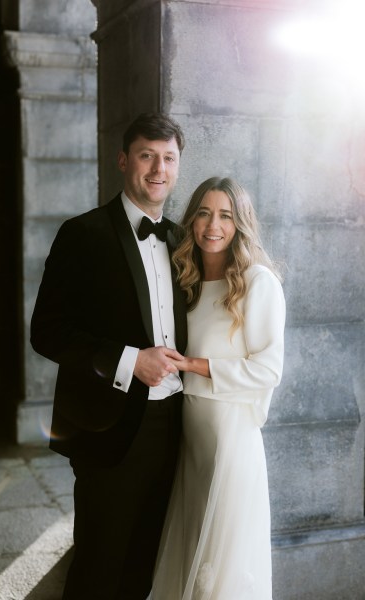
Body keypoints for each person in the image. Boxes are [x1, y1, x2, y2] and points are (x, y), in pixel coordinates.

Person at [30, 112, 188, 600]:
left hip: (177, 427)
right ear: (124, 161)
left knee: (146, 563)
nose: (158, 169)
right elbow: (47, 332)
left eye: (168, 158)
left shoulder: (183, 240)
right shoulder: (83, 234)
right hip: (109, 428)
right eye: (147, 156)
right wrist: (129, 361)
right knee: (98, 568)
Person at [151, 176, 286, 600]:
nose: (214, 224)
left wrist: (194, 364)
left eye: (226, 215)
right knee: (191, 550)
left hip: (230, 438)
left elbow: (268, 369)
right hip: (191, 437)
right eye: (205, 213)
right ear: (192, 220)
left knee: (221, 568)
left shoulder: (257, 281)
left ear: (240, 224)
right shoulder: (185, 281)